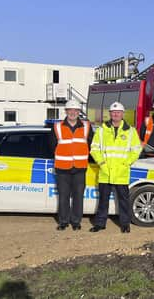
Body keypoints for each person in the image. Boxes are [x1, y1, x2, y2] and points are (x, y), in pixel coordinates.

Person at [90, 102, 142, 233]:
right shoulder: (101, 130)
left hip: (121, 172)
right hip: (105, 172)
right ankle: (100, 224)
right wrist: (101, 163)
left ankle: (125, 224)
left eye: (118, 112)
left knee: (123, 201)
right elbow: (94, 149)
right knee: (103, 201)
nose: (116, 114)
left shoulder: (130, 131)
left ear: (122, 114)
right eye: (113, 112)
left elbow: (136, 150)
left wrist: (127, 163)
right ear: (110, 114)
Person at [50, 99, 93, 231]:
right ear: (66, 111)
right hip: (62, 168)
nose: (73, 112)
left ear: (79, 112)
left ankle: (76, 221)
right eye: (70, 110)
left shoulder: (86, 126)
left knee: (78, 196)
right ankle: (63, 221)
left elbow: (92, 145)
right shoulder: (57, 127)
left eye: (76, 110)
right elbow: (52, 146)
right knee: (63, 196)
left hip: (80, 168)